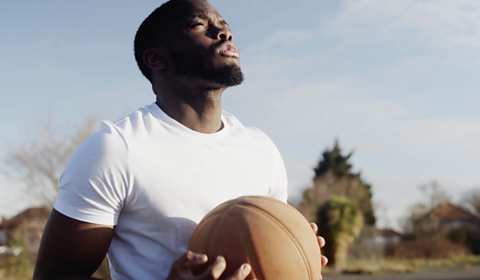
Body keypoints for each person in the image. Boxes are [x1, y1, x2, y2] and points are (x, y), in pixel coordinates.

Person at [33, 0, 327, 279]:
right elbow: (52, 276)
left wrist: (295, 250)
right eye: (199, 25)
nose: (224, 32)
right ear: (156, 57)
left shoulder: (261, 149)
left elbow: (267, 253)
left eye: (223, 24)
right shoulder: (116, 149)